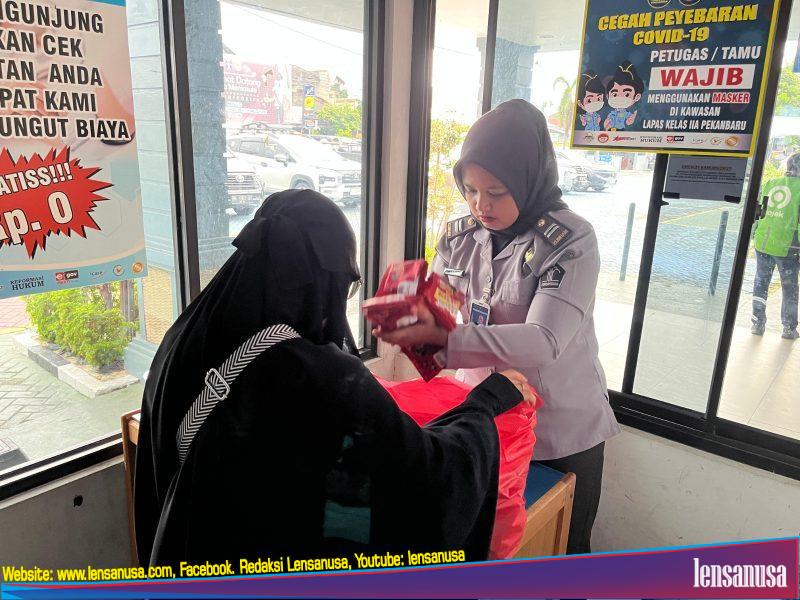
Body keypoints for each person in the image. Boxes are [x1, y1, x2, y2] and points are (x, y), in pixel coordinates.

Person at [134, 189, 535, 567]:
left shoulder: (187, 335)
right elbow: (427, 485)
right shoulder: (311, 377)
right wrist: (485, 404)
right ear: (325, 282)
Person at [375, 100, 620, 554]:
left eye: (496, 191)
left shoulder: (569, 241)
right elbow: (442, 311)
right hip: (486, 420)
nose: (480, 205)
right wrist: (408, 317)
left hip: (558, 430)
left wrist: (443, 341)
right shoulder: (460, 237)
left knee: (563, 551)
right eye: (469, 189)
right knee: (487, 548)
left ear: (527, 181)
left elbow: (543, 340)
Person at [751, 152, 800, 340]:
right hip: (787, 247)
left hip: (763, 242)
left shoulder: (771, 183)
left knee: (761, 282)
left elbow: (758, 212)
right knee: (790, 287)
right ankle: (788, 328)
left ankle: (757, 323)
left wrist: (755, 234)